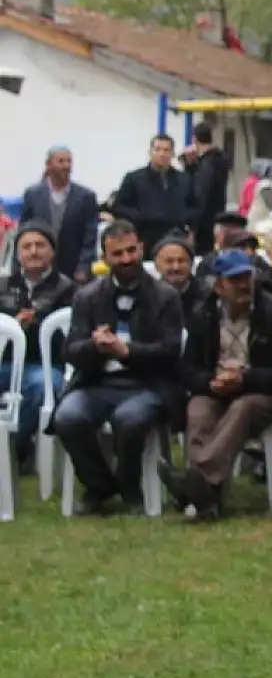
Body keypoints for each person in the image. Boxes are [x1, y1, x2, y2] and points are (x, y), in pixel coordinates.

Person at [49, 221, 184, 515]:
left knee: (130, 419)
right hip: (96, 382)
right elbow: (70, 351)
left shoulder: (166, 296)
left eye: (131, 251)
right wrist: (95, 346)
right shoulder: (87, 297)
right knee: (68, 417)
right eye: (117, 253)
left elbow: (171, 351)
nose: (126, 259)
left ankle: (129, 486)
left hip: (148, 384)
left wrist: (127, 351)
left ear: (141, 249)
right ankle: (100, 485)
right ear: (105, 258)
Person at [162, 250, 272, 519]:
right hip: (216, 389)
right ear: (219, 285)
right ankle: (207, 501)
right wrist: (210, 383)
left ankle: (196, 480)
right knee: (198, 409)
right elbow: (187, 369)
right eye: (236, 280)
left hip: (260, 394)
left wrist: (245, 379)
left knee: (242, 408)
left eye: (247, 277)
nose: (244, 285)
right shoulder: (204, 315)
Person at [0, 220, 77, 462]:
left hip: (44, 365)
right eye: (27, 246)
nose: (33, 251)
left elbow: (68, 337)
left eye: (40, 245)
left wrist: (38, 322)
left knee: (42, 387)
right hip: (6, 363)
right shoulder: (3, 285)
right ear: (18, 253)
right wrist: (15, 321)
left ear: (52, 251)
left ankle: (13, 449)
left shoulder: (67, 289)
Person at [20, 146, 98, 281]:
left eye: (69, 161)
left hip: (73, 268)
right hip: (40, 267)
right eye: (61, 161)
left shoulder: (86, 196)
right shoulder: (32, 194)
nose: (66, 166)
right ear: (48, 165)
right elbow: (23, 231)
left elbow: (90, 236)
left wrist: (83, 267)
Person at [112, 135, 194, 254]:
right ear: (150, 152)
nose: (162, 154)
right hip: (144, 238)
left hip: (176, 237)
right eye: (157, 149)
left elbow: (194, 207)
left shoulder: (184, 180)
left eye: (166, 150)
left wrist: (184, 218)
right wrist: (141, 215)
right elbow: (119, 207)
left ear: (172, 154)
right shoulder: (134, 178)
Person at [182, 122, 232, 254]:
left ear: (194, 140)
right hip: (217, 219)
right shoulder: (220, 159)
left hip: (203, 226)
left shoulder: (206, 165)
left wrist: (193, 228)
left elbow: (200, 196)